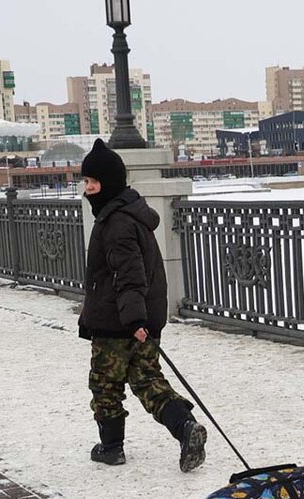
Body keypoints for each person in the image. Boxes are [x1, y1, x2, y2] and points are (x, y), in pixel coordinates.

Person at [78, 138, 207, 472]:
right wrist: (143, 321)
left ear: (110, 184)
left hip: (117, 322)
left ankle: (111, 448)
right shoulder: (129, 214)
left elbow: (130, 274)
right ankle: (186, 428)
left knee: (105, 385)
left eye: (93, 183)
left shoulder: (116, 222)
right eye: (86, 183)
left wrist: (134, 320)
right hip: (142, 318)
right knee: (148, 381)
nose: (88, 189)